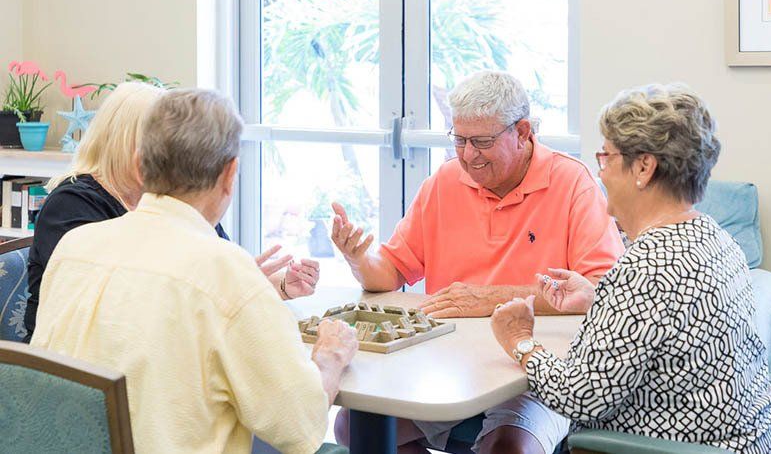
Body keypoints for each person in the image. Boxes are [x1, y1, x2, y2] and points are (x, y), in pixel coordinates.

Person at [30, 88, 358, 454]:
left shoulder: (74, 248)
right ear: (230, 175)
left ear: (139, 166)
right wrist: (330, 356)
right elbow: (299, 426)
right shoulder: (227, 272)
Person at [332, 71, 625, 453]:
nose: (469, 156)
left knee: (510, 447)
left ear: (522, 132)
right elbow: (389, 272)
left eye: (482, 142)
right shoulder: (445, 181)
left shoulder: (573, 183)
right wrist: (359, 258)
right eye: (459, 140)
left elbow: (600, 290)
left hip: (534, 367)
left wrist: (490, 299)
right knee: (356, 427)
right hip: (449, 361)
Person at [491, 83, 771, 453]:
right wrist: (599, 297)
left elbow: (579, 398)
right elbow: (668, 320)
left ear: (644, 167)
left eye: (606, 158)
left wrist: (520, 341)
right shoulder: (712, 237)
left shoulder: (647, 267)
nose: (601, 174)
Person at [24, 82, 319, 343]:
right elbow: (114, 310)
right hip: (74, 366)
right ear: (132, 145)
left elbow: (205, 281)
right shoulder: (71, 206)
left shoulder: (174, 201)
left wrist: (274, 285)